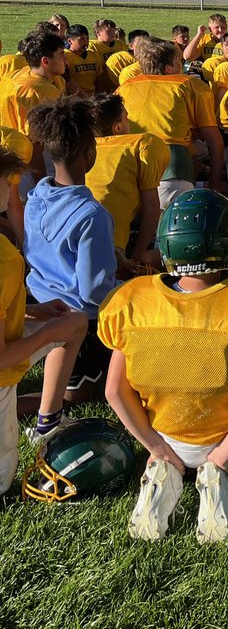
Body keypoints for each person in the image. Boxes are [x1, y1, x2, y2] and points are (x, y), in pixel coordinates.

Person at [99, 189, 228, 543]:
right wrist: (221, 454)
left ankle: (163, 469)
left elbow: (114, 391)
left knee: (171, 450)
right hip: (227, 436)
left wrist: (155, 446)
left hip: (166, 435)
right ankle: (226, 472)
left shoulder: (130, 300)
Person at [0, 145, 88, 481]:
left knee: (73, 323)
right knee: (3, 479)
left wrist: (31, 310)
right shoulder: (5, 259)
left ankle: (48, 419)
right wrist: (49, 333)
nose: (11, 191)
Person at [24, 98, 120, 407]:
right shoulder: (93, 215)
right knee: (73, 398)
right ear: (90, 154)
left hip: (38, 307)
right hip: (79, 320)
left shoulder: (36, 196)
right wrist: (126, 288)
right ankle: (13, 403)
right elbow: (94, 292)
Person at [119, 38, 223, 205]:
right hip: (170, 168)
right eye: (178, 62)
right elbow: (215, 141)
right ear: (168, 68)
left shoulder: (125, 86)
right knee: (170, 227)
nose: (181, 66)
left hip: (127, 165)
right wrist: (215, 185)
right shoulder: (190, 85)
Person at [87, 93, 169, 268]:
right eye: (126, 119)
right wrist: (137, 256)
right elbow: (152, 209)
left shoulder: (81, 149)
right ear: (117, 128)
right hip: (108, 248)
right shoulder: (141, 145)